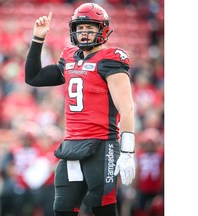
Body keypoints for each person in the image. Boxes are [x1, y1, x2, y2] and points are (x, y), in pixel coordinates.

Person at [25, 3, 135, 216]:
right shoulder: (69, 57)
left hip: (102, 145)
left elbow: (126, 107)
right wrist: (38, 39)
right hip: (71, 146)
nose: (84, 33)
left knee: (102, 207)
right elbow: (34, 77)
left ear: (102, 30)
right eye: (80, 28)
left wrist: (128, 151)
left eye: (90, 28)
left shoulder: (111, 58)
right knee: (63, 208)